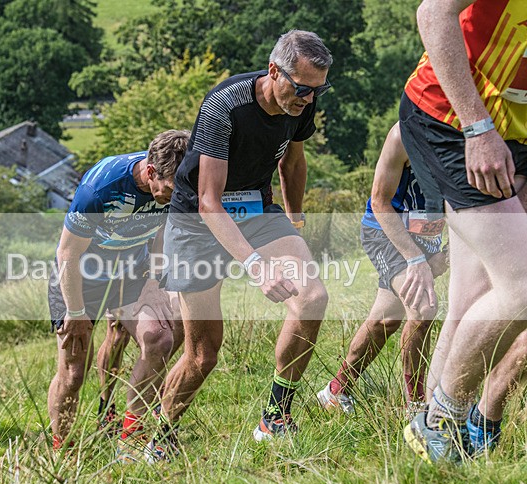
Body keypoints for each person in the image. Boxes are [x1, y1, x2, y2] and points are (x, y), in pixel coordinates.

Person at [157, 30, 332, 448]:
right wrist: (258, 266)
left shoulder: (302, 100)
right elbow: (208, 201)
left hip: (256, 207)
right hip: (197, 220)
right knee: (202, 356)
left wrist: (294, 219)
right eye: (302, 89)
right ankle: (160, 438)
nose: (308, 99)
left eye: (318, 91)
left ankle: (275, 417)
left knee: (312, 298)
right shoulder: (224, 106)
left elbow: (293, 161)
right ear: (274, 71)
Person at [400, 0, 527, 463]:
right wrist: (479, 129)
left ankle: (426, 445)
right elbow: (433, 13)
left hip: (513, 132)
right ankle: (440, 418)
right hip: (454, 122)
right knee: (523, 285)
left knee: (474, 292)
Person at [47, 130, 189, 461]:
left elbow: (160, 230)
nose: (173, 197)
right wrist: (77, 312)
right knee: (72, 372)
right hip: (81, 279)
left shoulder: (179, 178)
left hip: (130, 273)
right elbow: (67, 254)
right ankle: (60, 452)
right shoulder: (102, 187)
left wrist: (155, 280)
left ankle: (131, 437)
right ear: (151, 173)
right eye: (168, 190)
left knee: (160, 338)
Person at [317, 123, 448, 415]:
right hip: (386, 231)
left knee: (384, 321)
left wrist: (448, 254)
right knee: (423, 307)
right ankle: (416, 407)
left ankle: (336, 391)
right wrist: (415, 260)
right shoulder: (403, 134)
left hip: (428, 234)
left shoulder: (473, 132)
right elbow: (379, 201)